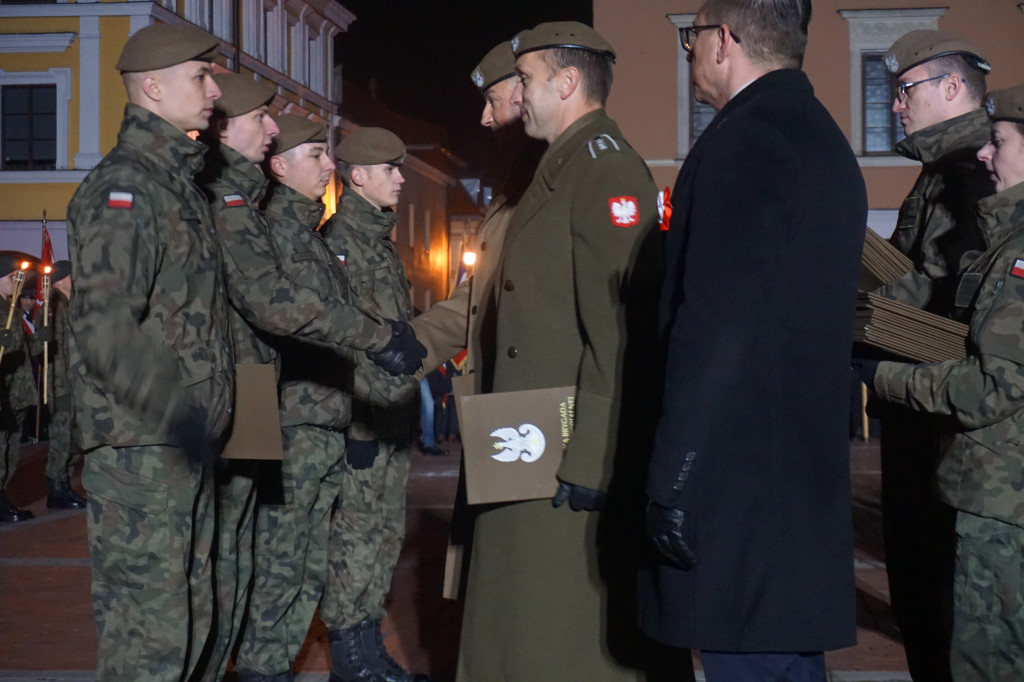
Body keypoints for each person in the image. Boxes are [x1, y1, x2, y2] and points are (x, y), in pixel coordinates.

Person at [641, 1, 866, 680]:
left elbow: (715, 325)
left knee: (754, 660)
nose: (688, 51)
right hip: (795, 482)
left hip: (738, 487)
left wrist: (672, 478)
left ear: (725, 39)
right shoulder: (819, 136)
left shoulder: (749, 139)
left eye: (693, 36)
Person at [457, 21, 662, 682]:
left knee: (559, 630)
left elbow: (620, 329)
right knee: (522, 622)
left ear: (567, 83)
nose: (517, 95)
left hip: (563, 446)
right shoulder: (563, 164)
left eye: (526, 80)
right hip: (528, 439)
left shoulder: (606, 169)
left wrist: (593, 456)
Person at [65, 23, 234, 682]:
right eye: (202, 77)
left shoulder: (174, 183)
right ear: (154, 88)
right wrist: (179, 410)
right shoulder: (126, 189)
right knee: (150, 646)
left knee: (188, 633)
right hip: (144, 449)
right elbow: (105, 326)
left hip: (178, 447)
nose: (215, 91)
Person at [857, 83, 1024, 682]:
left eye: (999, 142)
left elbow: (993, 384)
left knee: (983, 658)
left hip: (999, 497)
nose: (986, 153)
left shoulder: (1015, 247)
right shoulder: (1002, 237)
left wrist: (888, 376)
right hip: (989, 489)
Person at [317, 126, 427, 682]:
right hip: (363, 421)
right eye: (391, 169)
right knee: (355, 540)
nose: (401, 178)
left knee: (383, 535)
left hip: (390, 418)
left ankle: (369, 647)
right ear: (357, 176)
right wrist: (357, 425)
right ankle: (349, 657)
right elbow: (341, 340)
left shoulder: (378, 243)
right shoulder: (340, 243)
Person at [30, 260, 85, 509]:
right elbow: (42, 345)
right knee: (62, 435)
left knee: (75, 435)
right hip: (61, 381)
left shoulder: (76, 303)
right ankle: (56, 488)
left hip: (78, 380)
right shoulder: (52, 307)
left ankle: (64, 485)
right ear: (63, 278)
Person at [0, 257, 36, 523]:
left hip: (16, 390)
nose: (16, 281)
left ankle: (2, 496)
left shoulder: (10, 308)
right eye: (12, 277)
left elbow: (25, 350)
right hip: (4, 389)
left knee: (10, 449)